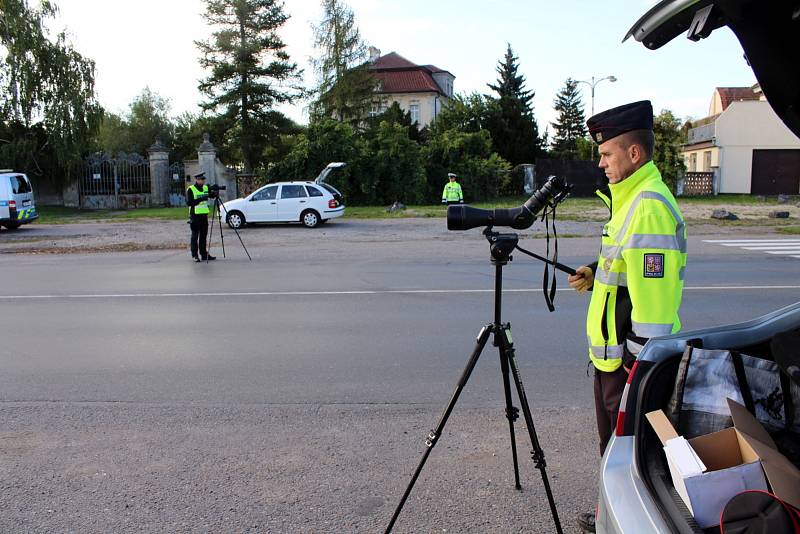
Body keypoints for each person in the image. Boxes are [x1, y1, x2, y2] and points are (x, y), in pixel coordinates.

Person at [568, 101, 687, 532]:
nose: (600, 163)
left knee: (632, 456)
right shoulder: (631, 200)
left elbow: (653, 307)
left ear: (634, 154)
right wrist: (594, 271)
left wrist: (635, 369)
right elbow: (627, 269)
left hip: (627, 365)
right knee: (613, 451)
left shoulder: (648, 205)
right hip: (610, 361)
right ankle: (607, 516)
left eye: (607, 154)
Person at [186, 172, 217, 262]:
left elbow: (210, 195)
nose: (202, 181)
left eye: (203, 180)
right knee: (195, 236)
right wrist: (201, 199)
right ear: (196, 180)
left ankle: (204, 254)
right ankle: (195, 255)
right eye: (201, 180)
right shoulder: (191, 189)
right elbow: (189, 202)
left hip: (204, 215)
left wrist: (214, 192)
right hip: (195, 216)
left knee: (203, 236)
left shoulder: (205, 187)